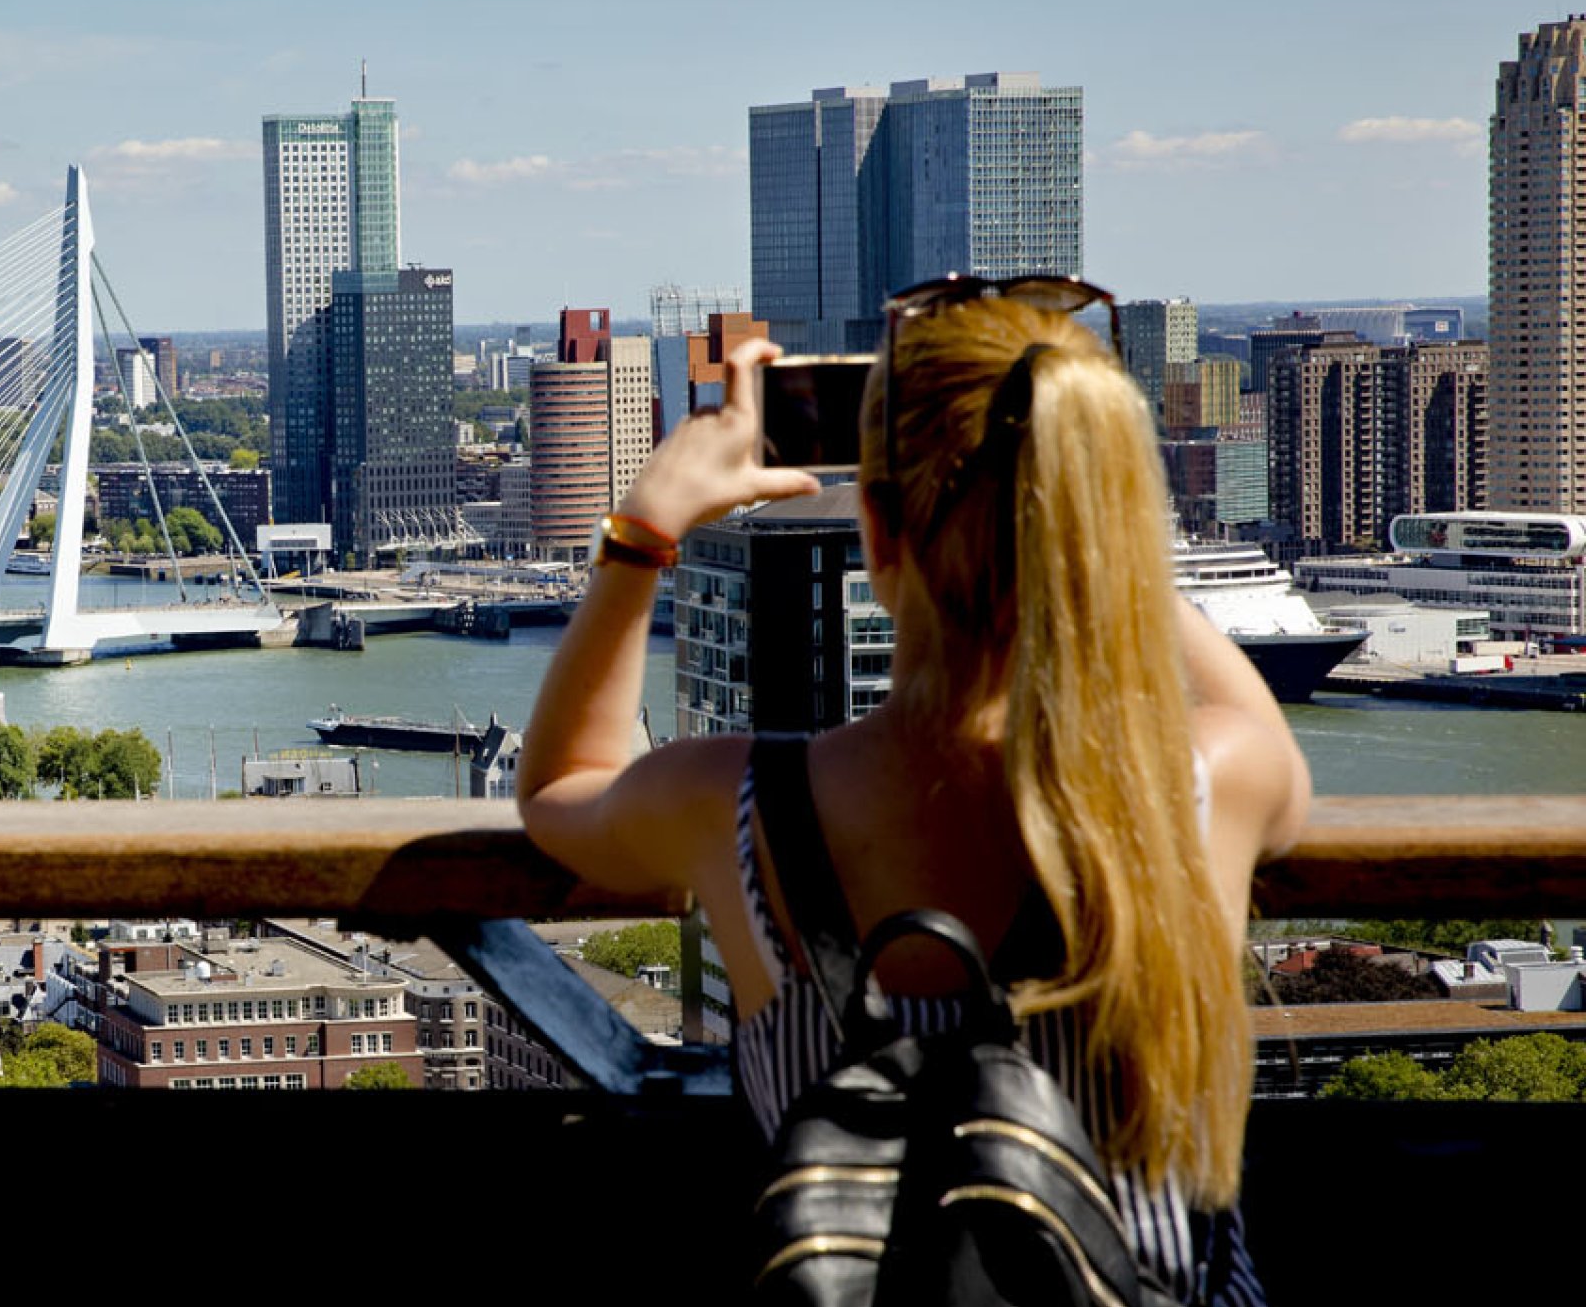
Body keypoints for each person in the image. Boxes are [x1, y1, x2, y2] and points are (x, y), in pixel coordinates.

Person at [517, 279, 1309, 1305]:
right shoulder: (1208, 781)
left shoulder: (739, 805)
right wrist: (1084, 524)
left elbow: (558, 788)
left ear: (878, 538)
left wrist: (643, 532)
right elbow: (1274, 760)